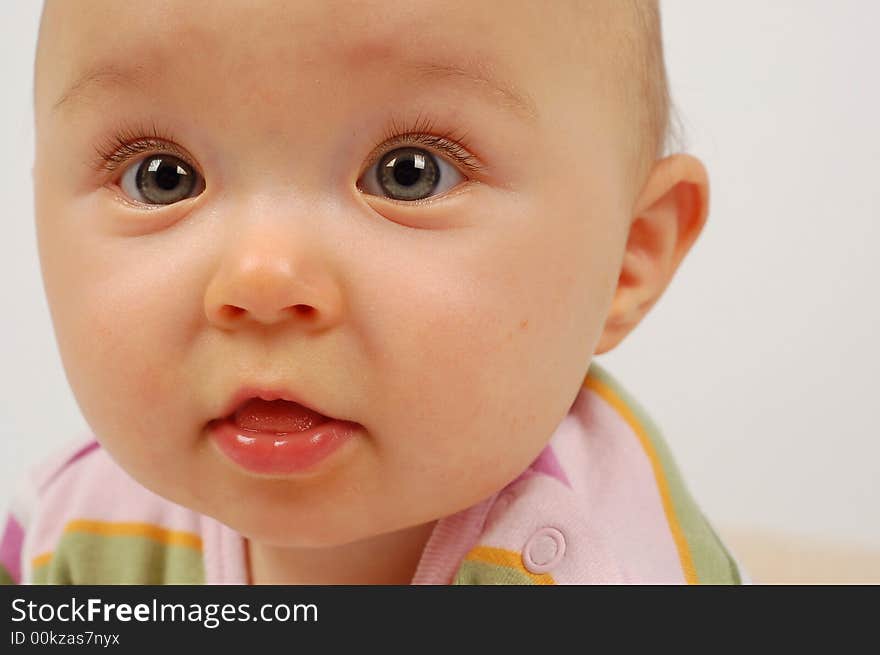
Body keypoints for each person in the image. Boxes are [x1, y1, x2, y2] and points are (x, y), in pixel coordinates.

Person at [0, 0, 745, 585]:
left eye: (409, 172)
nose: (262, 280)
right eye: (161, 176)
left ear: (627, 255)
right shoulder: (72, 527)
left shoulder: (606, 571)